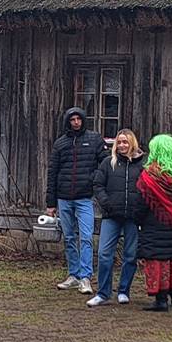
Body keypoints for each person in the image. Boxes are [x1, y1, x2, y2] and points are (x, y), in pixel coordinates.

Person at [46, 106, 104, 294]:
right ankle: (74, 274)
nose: (76, 122)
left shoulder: (94, 139)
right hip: (64, 198)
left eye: (79, 119)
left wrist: (93, 180)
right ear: (68, 122)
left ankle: (86, 277)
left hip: (85, 198)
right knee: (69, 237)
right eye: (73, 120)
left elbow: (104, 165)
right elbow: (52, 172)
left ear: (83, 120)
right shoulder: (61, 143)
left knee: (86, 238)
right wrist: (50, 203)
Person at [86, 129, 144, 308]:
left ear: (132, 143)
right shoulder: (107, 163)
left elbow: (148, 189)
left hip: (133, 217)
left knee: (130, 255)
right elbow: (98, 184)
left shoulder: (143, 164)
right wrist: (106, 202)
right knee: (104, 254)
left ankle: (124, 291)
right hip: (111, 215)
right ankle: (103, 293)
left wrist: (141, 207)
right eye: (119, 142)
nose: (122, 145)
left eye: (125, 142)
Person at [136, 134, 172, 313]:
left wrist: (137, 219)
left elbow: (142, 202)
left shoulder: (150, 175)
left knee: (156, 259)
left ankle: (160, 299)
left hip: (154, 222)